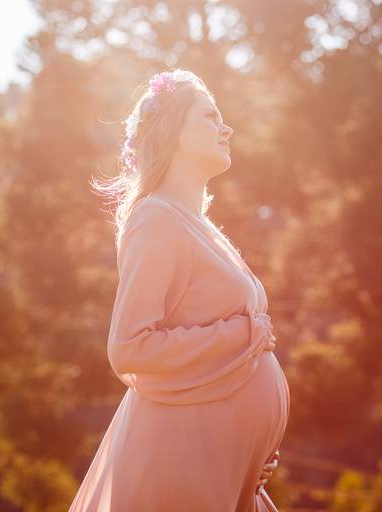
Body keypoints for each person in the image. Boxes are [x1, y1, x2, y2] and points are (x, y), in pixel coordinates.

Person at [70, 68, 290, 511]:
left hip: (219, 468)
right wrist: (243, 336)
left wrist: (248, 448)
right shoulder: (156, 218)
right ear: (174, 131)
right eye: (210, 116)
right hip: (178, 463)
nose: (226, 127)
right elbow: (130, 348)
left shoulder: (203, 228)